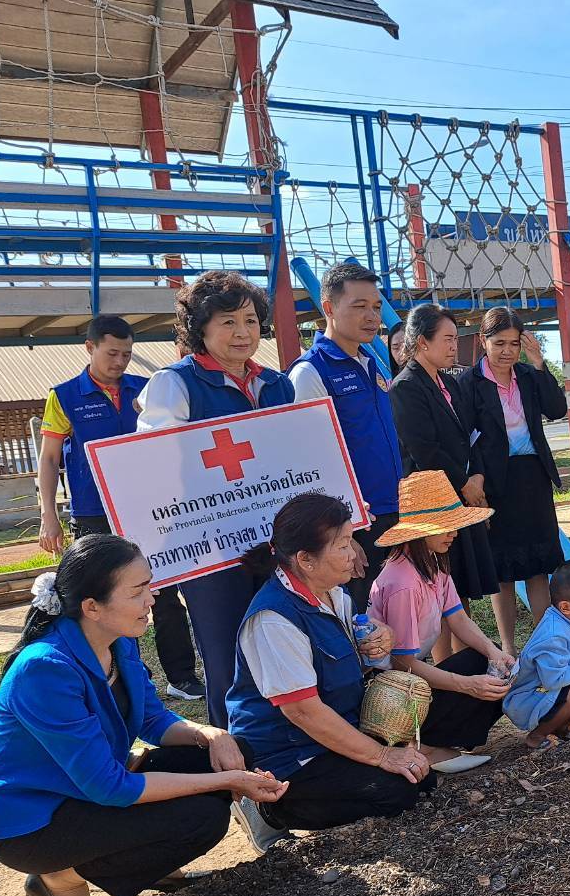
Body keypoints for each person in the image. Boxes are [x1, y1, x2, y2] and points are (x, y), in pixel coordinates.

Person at [0, 535, 286, 896]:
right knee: (201, 817)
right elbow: (111, 787)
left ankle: (153, 867)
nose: (152, 599)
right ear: (92, 607)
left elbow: (153, 720)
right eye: (137, 591)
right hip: (35, 821)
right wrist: (228, 781)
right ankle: (58, 878)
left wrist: (211, 735)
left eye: (149, 585)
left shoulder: (118, 642)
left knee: (230, 751)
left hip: (85, 788)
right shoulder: (45, 669)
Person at [225, 493, 427, 855]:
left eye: (351, 541)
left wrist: (382, 635)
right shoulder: (273, 619)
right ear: (305, 559)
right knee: (397, 791)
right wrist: (382, 756)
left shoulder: (334, 593)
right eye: (343, 545)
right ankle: (266, 807)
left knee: (420, 780)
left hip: (340, 727)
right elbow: (303, 712)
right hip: (290, 756)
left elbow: (355, 647)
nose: (354, 553)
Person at [138, 272, 296, 728]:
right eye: (228, 321)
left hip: (277, 541)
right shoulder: (175, 384)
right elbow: (151, 464)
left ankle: (292, 742)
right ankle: (234, 754)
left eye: (250, 320)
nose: (242, 332)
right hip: (211, 549)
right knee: (227, 653)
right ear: (200, 328)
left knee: (286, 640)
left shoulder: (278, 386)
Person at [38, 314, 201, 701]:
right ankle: (124, 679)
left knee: (162, 592)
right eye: (111, 353)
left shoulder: (147, 389)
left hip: (148, 510)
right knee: (104, 599)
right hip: (94, 512)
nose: (120, 361)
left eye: (126, 354)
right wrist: (48, 514)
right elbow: (49, 459)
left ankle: (181, 676)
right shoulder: (63, 396)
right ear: (90, 347)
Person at [368, 470, 512, 774]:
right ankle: (427, 746)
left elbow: (457, 617)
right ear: (420, 532)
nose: (453, 533)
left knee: (488, 660)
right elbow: (402, 664)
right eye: (444, 527)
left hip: (408, 679)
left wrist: (493, 652)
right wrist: (467, 685)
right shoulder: (404, 583)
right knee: (478, 674)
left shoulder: (431, 562)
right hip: (389, 691)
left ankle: (437, 742)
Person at [288, 262, 402, 610]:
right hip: (353, 526)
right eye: (359, 306)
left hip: (393, 513)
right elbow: (307, 463)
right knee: (362, 624)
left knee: (397, 621)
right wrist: (340, 533)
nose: (372, 317)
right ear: (329, 308)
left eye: (376, 307)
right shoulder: (310, 373)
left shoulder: (371, 363)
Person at [459, 307, 567, 657]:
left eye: (515, 343)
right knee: (502, 569)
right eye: (500, 343)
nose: (507, 351)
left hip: (533, 477)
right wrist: (475, 477)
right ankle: (508, 645)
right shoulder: (469, 383)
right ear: (483, 341)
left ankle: (543, 642)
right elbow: (465, 437)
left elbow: (557, 409)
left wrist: (539, 363)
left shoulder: (529, 375)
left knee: (538, 566)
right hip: (494, 482)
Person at [388, 303, 499, 637]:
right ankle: (445, 661)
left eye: (455, 338)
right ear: (423, 341)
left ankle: (465, 660)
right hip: (433, 501)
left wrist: (477, 476)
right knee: (436, 586)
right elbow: (425, 450)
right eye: (447, 339)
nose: (454, 346)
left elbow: (470, 435)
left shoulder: (448, 383)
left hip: (461, 495)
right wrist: (465, 483)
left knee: (458, 586)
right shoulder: (406, 386)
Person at [503, 560, 570, 751]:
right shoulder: (554, 635)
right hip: (528, 699)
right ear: (566, 607)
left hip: (549, 692)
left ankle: (560, 727)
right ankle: (536, 736)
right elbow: (554, 679)